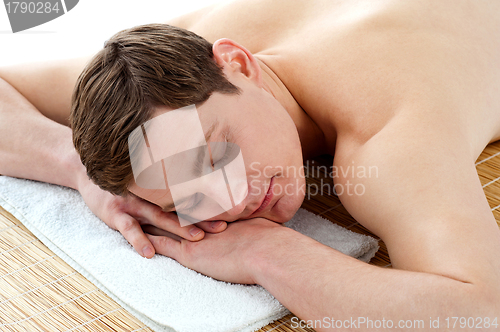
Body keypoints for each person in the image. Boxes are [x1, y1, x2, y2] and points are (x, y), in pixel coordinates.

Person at [1, 0, 499, 329]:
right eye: (187, 201)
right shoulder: (161, 73)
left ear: (237, 64)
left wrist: (267, 254)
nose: (233, 199)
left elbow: (481, 312)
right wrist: (79, 171)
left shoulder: (389, 139)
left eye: (216, 154)